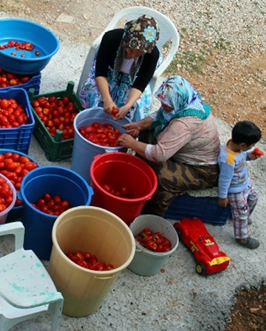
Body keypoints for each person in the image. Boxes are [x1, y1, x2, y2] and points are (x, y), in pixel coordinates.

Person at [118, 75, 220, 217]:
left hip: (201, 169)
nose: (163, 107)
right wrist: (139, 125)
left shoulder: (185, 123)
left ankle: (152, 213)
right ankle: (138, 174)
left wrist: (132, 143)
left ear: (177, 102)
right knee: (147, 132)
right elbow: (159, 115)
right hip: (181, 151)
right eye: (162, 103)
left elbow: (159, 155)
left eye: (166, 105)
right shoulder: (186, 102)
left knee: (163, 176)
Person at [79, 14, 161, 122]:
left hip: (132, 80)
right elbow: (101, 72)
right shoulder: (111, 39)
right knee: (92, 90)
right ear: (126, 41)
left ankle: (129, 130)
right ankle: (89, 118)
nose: (133, 55)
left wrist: (127, 106)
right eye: (131, 50)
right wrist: (107, 99)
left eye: (139, 53)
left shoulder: (152, 55)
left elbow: (140, 83)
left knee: (138, 104)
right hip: (109, 73)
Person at [217, 121, 262, 249]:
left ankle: (240, 216)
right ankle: (242, 237)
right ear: (243, 144)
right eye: (252, 145)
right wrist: (223, 196)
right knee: (241, 214)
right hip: (235, 191)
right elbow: (224, 179)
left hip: (245, 183)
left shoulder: (237, 147)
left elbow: (241, 157)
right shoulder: (227, 160)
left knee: (253, 198)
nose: (253, 146)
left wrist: (249, 156)